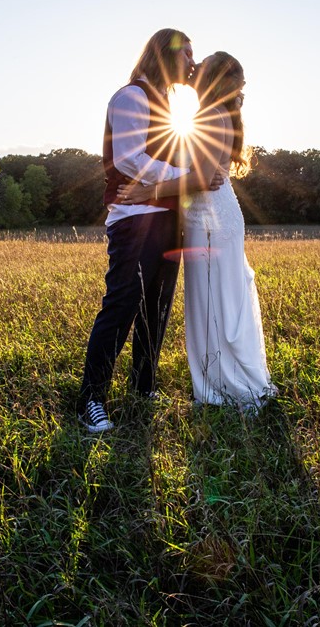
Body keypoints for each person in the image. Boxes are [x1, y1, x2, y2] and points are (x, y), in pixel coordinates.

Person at [77, 29, 222, 433]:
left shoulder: (170, 105)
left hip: (171, 219)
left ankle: (144, 386)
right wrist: (188, 175)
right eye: (186, 53)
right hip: (135, 217)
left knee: (155, 310)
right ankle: (91, 397)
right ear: (163, 55)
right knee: (122, 305)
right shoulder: (131, 98)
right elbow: (129, 158)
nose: (193, 61)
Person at [118, 52, 276, 412]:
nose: (193, 68)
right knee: (220, 300)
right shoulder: (214, 114)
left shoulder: (209, 116)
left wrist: (148, 190)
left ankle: (222, 387)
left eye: (201, 66)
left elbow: (203, 179)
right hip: (214, 219)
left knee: (213, 303)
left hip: (210, 223)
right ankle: (223, 379)